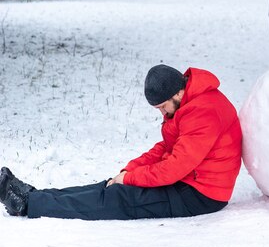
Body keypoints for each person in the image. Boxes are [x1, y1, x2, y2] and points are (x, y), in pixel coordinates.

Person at [0, 64, 242, 220]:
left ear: (177, 93)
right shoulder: (189, 102)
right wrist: (131, 169)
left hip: (201, 194)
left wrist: (129, 179)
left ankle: (27, 204)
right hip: (188, 181)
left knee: (119, 197)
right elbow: (167, 149)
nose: (161, 113)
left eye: (161, 107)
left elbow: (174, 168)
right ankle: (33, 196)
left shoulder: (203, 112)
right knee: (110, 187)